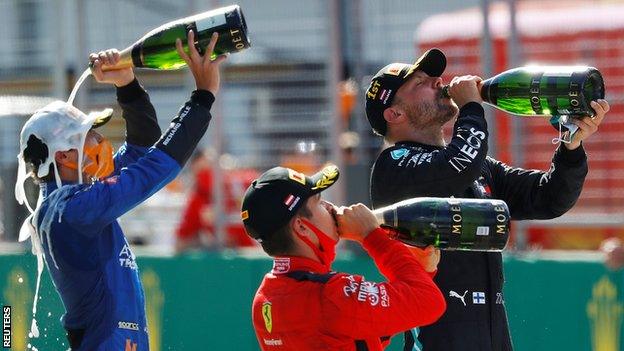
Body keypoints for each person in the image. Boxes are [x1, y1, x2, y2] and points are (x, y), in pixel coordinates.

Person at [364, 48, 609, 350]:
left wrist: (570, 147)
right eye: (420, 83)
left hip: (492, 336)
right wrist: (470, 106)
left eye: (432, 76)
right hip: (437, 339)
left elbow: (549, 198)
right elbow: (457, 164)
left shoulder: (475, 166)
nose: (437, 81)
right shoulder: (394, 165)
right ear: (395, 114)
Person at [15, 30, 226, 350]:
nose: (101, 143)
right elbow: (154, 167)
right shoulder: (70, 209)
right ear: (63, 156)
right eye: (89, 137)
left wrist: (127, 86)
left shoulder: (75, 198)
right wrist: (202, 97)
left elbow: (142, 146)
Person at [240, 164, 446, 350]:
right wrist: (372, 237)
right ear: (302, 226)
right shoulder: (329, 294)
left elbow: (365, 332)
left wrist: (422, 273)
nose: (331, 207)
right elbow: (430, 303)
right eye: (319, 202)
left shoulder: (264, 298)